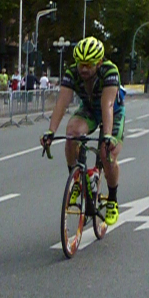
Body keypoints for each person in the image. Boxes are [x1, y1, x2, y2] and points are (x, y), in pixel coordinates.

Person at [40, 36, 125, 226]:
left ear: (99, 62)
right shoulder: (72, 73)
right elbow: (62, 103)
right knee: (72, 133)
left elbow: (108, 105)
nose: (84, 69)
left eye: (89, 65)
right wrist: (51, 132)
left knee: (106, 153)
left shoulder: (109, 71)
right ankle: (76, 179)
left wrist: (108, 136)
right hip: (89, 109)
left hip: (112, 112)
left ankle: (112, 199)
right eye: (81, 64)